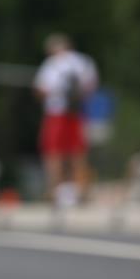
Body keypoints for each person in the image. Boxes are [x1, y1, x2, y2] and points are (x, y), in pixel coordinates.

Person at [34, 33, 97, 205]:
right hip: (78, 112)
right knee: (78, 152)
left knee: (54, 153)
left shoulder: (52, 64)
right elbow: (91, 87)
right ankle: (82, 191)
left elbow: (41, 89)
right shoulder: (83, 62)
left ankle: (54, 190)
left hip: (56, 113)